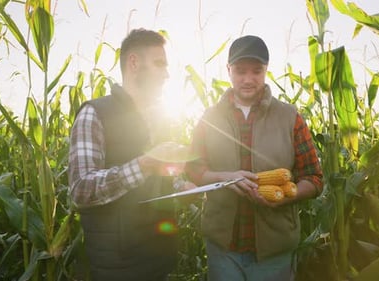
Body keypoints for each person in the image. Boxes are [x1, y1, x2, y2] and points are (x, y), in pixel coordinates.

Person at [185, 35, 323, 281]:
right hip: (223, 249)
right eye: (240, 71)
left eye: (256, 71)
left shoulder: (290, 117)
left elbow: (314, 178)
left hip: (274, 252)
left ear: (266, 71)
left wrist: (286, 195)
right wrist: (224, 178)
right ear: (228, 71)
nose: (248, 79)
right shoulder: (209, 118)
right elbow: (194, 170)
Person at [68, 28, 194, 281]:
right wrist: (144, 165)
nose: (166, 74)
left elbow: (160, 179)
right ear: (134, 63)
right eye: (159, 64)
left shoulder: (159, 118)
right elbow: (81, 189)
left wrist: (184, 187)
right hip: (119, 267)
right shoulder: (95, 114)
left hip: (158, 260)